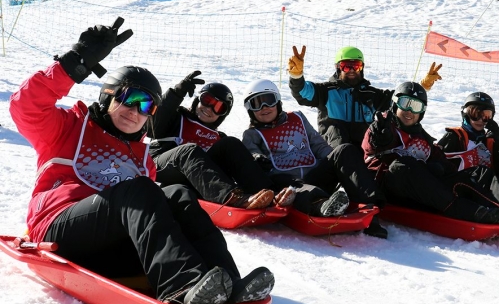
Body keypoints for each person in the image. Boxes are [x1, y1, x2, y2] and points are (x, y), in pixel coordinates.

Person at [9, 18, 274, 304]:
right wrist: (77, 61)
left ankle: (227, 282)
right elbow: (25, 105)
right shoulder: (69, 127)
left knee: (178, 195)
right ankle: (180, 284)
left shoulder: (142, 157)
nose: (135, 111)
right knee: (140, 190)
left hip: (110, 248)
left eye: (147, 105)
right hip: (59, 229)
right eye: (129, 98)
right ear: (108, 95)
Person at [362, 82, 499, 224]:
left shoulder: (424, 139)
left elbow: (446, 165)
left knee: (480, 172)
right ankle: (468, 211)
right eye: (405, 103)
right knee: (404, 165)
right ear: (394, 104)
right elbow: (371, 147)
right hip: (390, 190)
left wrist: (441, 168)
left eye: (416, 106)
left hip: (422, 191)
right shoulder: (382, 127)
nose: (409, 111)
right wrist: (380, 138)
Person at [241, 79, 389, 237]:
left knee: (345, 150)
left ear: (277, 101)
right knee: (293, 188)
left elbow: (318, 145)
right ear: (250, 110)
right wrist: (258, 158)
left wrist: (336, 164)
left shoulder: (297, 118)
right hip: (287, 184)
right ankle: (323, 206)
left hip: (315, 175)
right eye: (256, 104)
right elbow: (250, 153)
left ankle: (371, 212)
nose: (264, 108)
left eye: (268, 101)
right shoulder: (252, 134)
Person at [150, 71, 275, 208]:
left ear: (222, 115)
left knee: (231, 143)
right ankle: (230, 198)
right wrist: (176, 93)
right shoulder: (177, 116)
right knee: (189, 150)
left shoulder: (218, 138)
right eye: (207, 101)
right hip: (162, 164)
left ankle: (267, 195)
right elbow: (152, 126)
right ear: (198, 100)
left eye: (218, 107)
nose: (209, 109)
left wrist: (254, 160)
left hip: (196, 177)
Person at [288, 45, 442, 148]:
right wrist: (296, 76)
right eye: (346, 66)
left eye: (356, 65)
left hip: (363, 146)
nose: (351, 70)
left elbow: (400, 98)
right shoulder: (327, 91)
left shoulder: (371, 94)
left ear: (361, 67)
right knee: (337, 130)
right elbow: (302, 92)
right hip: (334, 147)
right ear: (338, 68)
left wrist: (423, 86)